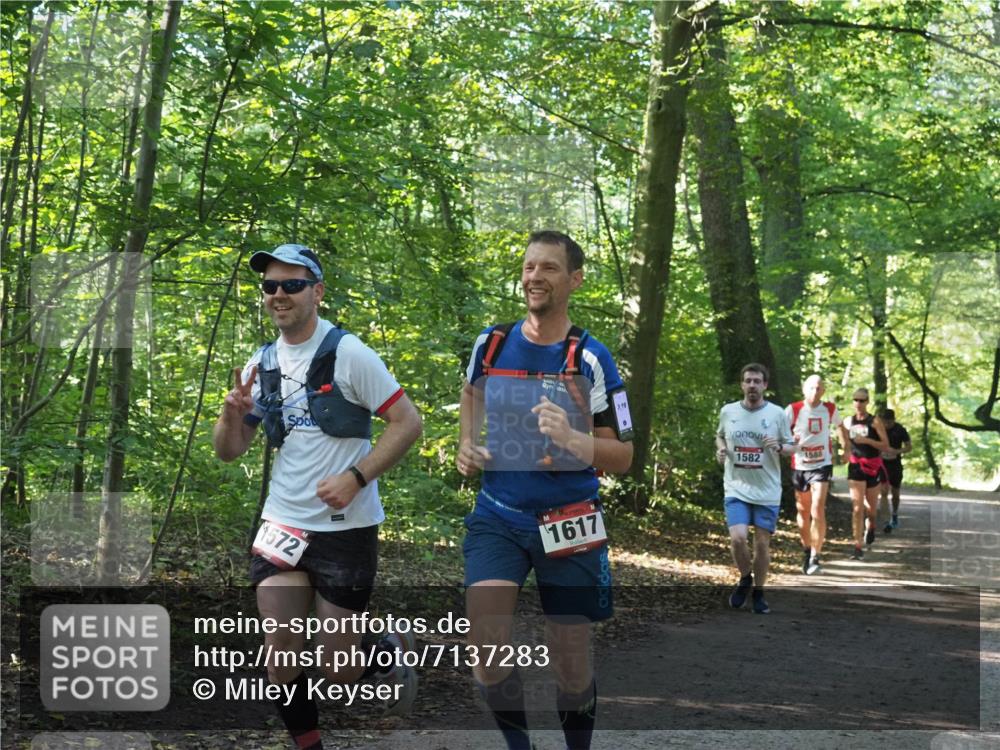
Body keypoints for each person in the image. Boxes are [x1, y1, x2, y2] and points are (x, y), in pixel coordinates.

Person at [213, 244, 423, 750]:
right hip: (283, 523)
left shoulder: (349, 354)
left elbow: (408, 422)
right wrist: (230, 414)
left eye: (292, 285)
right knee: (280, 650)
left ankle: (382, 650)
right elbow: (229, 451)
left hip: (346, 529)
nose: (279, 294)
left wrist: (357, 475)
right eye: (270, 286)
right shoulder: (260, 363)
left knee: (338, 672)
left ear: (318, 292)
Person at [456, 230, 633, 750]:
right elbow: (471, 393)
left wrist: (573, 438)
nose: (535, 277)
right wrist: (468, 443)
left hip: (569, 518)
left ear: (574, 280)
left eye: (549, 268)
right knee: (485, 645)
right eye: (530, 267)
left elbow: (624, 455)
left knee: (572, 661)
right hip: (498, 514)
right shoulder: (491, 343)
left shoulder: (591, 359)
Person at [715, 363, 796, 614]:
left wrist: (780, 448)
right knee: (738, 539)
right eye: (748, 380)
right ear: (742, 384)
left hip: (767, 490)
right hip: (736, 487)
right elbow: (719, 435)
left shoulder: (777, 414)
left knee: (762, 545)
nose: (752, 385)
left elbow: (793, 446)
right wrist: (720, 449)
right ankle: (745, 577)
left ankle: (759, 592)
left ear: (765, 386)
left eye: (757, 381)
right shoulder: (728, 411)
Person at [785, 374, 848, 576]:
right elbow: (780, 434)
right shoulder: (793, 409)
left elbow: (840, 426)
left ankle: (815, 555)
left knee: (817, 507)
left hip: (822, 464)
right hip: (800, 465)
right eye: (812, 388)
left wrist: (846, 447)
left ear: (823, 391)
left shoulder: (829, 409)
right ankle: (806, 549)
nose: (815, 392)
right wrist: (790, 442)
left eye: (819, 388)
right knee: (802, 510)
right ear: (805, 390)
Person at [842, 388, 889, 560]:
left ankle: (872, 526)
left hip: (873, 467)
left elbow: (885, 445)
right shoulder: (848, 421)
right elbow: (844, 440)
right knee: (857, 508)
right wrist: (844, 451)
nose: (858, 403)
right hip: (855, 466)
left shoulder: (874, 421)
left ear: (867, 402)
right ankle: (857, 545)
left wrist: (867, 440)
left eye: (862, 400)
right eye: (856, 400)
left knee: (871, 509)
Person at [878, 408, 912, 533]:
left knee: (895, 493)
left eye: (888, 422)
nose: (886, 425)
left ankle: (895, 514)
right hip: (882, 464)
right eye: (884, 422)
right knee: (883, 491)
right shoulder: (878, 429)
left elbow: (909, 447)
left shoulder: (900, 430)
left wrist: (897, 451)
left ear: (893, 420)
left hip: (895, 464)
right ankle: (886, 521)